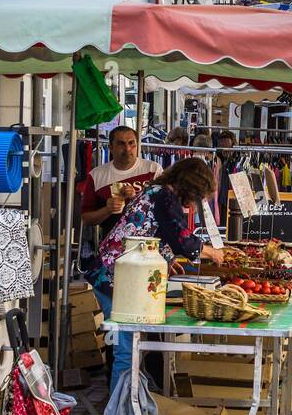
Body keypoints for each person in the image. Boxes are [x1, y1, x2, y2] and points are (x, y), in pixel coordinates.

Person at [86, 158, 226, 397]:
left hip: (119, 273)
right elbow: (182, 238)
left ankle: (130, 405)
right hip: (116, 277)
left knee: (130, 347)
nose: (194, 204)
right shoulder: (164, 196)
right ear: (189, 186)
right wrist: (212, 252)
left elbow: (155, 231)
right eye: (197, 196)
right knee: (126, 349)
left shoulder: (157, 191)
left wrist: (167, 259)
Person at [80, 126, 163, 239]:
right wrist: (107, 210)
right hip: (111, 247)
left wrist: (136, 199)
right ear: (110, 147)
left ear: (137, 145)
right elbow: (86, 219)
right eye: (121, 143)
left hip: (148, 245)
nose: (127, 148)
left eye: (131, 143)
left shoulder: (154, 170)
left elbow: (165, 208)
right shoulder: (96, 175)